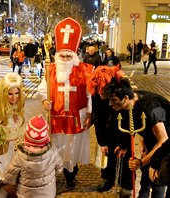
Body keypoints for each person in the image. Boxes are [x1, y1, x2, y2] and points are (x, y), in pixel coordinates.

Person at [38, 17, 94, 188]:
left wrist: (90, 115)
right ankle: (54, 173)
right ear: (57, 54)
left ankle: (71, 174)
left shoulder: (85, 70)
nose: (65, 57)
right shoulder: (50, 69)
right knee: (56, 147)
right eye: (62, 54)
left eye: (68, 54)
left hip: (77, 117)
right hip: (56, 116)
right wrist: (44, 100)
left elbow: (90, 95)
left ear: (75, 54)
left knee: (72, 149)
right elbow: (42, 89)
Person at [102, 77, 169, 198]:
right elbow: (132, 125)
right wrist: (124, 146)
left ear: (126, 98)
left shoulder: (151, 107)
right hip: (152, 141)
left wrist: (141, 162)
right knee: (146, 177)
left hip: (166, 146)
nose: (110, 104)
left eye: (113, 100)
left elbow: (163, 139)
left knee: (156, 179)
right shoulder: (126, 105)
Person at [87, 66, 132, 196]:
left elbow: (128, 114)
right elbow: (98, 117)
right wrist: (102, 142)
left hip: (123, 120)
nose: (101, 93)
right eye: (98, 90)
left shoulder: (122, 84)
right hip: (107, 124)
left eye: (103, 89)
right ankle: (107, 178)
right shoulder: (96, 90)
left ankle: (126, 183)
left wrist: (124, 143)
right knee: (106, 152)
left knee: (125, 152)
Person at [3, 115, 63, 198]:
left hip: (26, 195)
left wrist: (14, 182)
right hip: (48, 194)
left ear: (26, 137)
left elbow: (9, 177)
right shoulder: (53, 152)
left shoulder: (19, 155)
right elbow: (59, 169)